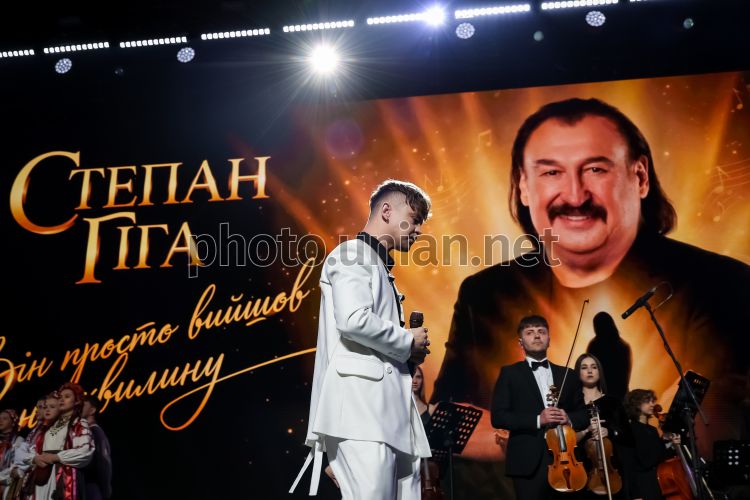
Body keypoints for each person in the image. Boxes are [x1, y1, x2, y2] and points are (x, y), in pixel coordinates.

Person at [431, 97, 749, 466]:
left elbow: (715, 428)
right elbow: (444, 420)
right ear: (524, 187)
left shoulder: (723, 284)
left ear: (640, 177)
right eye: (551, 173)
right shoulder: (483, 294)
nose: (574, 195)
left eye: (596, 169)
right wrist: (560, 441)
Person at [291, 179, 433, 499]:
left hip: (389, 417)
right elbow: (353, 320)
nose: (419, 230)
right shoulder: (352, 254)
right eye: (414, 219)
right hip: (362, 415)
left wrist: (407, 353)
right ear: (387, 211)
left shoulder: (375, 263)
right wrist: (406, 341)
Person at [490, 315, 587, 500]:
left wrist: (569, 418)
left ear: (549, 339)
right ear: (521, 342)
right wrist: (537, 420)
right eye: (530, 332)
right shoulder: (509, 373)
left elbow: (583, 414)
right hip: (527, 460)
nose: (536, 336)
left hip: (566, 456)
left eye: (541, 332)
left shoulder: (568, 374)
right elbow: (499, 417)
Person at [573, 353, 635, 499]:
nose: (589, 371)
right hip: (581, 470)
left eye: (594, 367)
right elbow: (567, 439)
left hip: (612, 469)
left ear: (599, 372)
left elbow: (629, 438)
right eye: (584, 367)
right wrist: (586, 430)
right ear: (578, 373)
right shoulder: (572, 405)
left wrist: (610, 432)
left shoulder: (613, 403)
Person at [29, 384, 94, 500]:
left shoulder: (79, 423)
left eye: (67, 396)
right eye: (60, 397)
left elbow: (85, 451)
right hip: (42, 474)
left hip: (63, 476)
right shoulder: (49, 425)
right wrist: (35, 458)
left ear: (77, 401)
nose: (62, 399)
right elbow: (34, 447)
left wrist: (56, 457)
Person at [625, 389, 681, 500]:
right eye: (647, 401)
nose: (652, 404)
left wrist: (672, 445)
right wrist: (635, 494)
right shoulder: (630, 430)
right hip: (643, 485)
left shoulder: (653, 430)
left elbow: (662, 457)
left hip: (658, 482)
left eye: (652, 401)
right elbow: (630, 465)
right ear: (636, 404)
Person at [81, 396, 112, 500]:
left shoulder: (95, 432)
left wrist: (105, 491)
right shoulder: (84, 432)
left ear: (92, 410)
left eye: (83, 405)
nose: (78, 407)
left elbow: (104, 463)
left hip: (92, 489)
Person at [0, 409, 23, 500]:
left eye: (5, 418)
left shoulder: (18, 441)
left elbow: (15, 466)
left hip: (6, 485)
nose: (0, 421)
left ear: (13, 423)